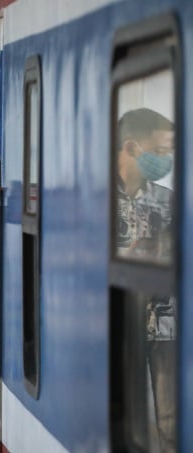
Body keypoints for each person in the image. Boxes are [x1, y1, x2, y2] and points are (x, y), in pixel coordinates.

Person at [115, 107, 175, 452]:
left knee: (172, 420)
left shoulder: (168, 201)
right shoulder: (97, 199)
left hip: (167, 327)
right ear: (132, 147)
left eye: (169, 153)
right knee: (126, 419)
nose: (165, 160)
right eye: (160, 152)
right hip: (120, 328)